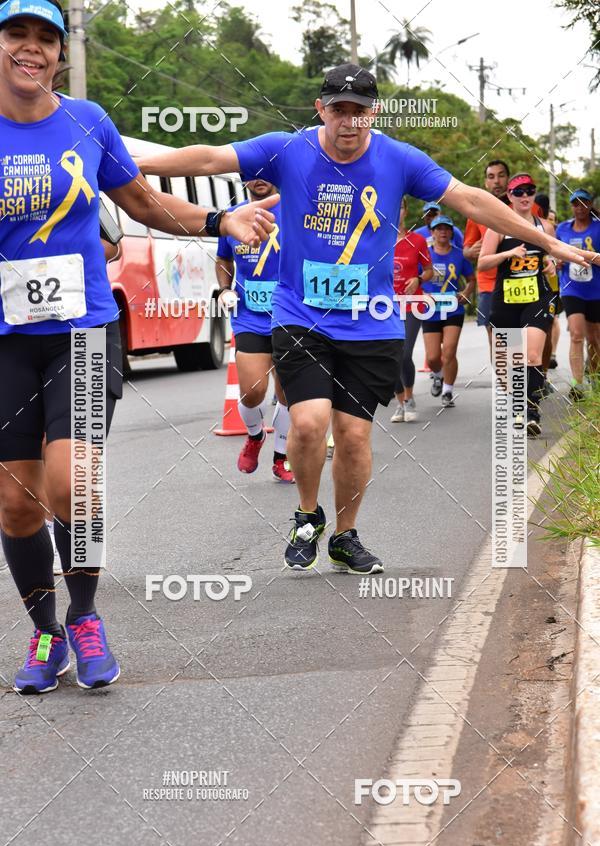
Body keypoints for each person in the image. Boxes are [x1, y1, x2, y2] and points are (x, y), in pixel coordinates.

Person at [138, 63, 593, 573]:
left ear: (372, 113)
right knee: (309, 423)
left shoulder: (399, 159)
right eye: (339, 111)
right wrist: (134, 162)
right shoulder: (289, 149)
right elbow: (211, 158)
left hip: (372, 321)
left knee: (354, 435)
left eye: (359, 112)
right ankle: (307, 516)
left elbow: (468, 199)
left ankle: (345, 535)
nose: (349, 122)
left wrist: (547, 240)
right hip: (300, 315)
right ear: (320, 110)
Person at [0, 0, 277, 694]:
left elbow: (145, 204)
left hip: (84, 331)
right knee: (15, 504)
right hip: (6, 341)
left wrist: (219, 219)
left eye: (46, 39)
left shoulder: (87, 123)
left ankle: (86, 616)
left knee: (75, 480)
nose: (31, 49)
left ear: (61, 53)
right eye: (17, 35)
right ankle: (45, 633)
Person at [216, 179, 294, 483]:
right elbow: (223, 258)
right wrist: (224, 289)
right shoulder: (232, 216)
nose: (259, 178)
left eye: (266, 171)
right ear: (244, 177)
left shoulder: (298, 212)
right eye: (253, 172)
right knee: (252, 392)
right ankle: (255, 435)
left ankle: (281, 457)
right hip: (249, 315)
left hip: (291, 314)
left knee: (288, 392)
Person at [479, 173, 557, 437]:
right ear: (509, 197)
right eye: (519, 192)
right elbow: (483, 262)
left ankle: (531, 412)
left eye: (529, 191)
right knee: (513, 361)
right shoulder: (498, 227)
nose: (525, 196)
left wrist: (552, 263)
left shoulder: (545, 227)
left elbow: (557, 257)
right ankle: (518, 409)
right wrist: (508, 253)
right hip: (507, 299)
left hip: (537, 295)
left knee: (533, 355)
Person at [420, 216, 475, 407]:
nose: (443, 232)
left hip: (453, 309)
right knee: (433, 357)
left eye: (446, 228)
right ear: (432, 232)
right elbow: (414, 279)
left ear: (452, 232)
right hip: (430, 310)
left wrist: (466, 292)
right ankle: (438, 375)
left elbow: (471, 279)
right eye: (438, 228)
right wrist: (422, 294)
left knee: (449, 352)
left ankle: (448, 391)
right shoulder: (424, 255)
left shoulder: (460, 255)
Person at [390, 197, 433, 422]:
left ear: (405, 211)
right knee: (390, 355)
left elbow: (429, 271)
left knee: (404, 352)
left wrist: (418, 279)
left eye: (399, 206)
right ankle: (399, 403)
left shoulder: (417, 240)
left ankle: (409, 397)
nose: (396, 210)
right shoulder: (378, 239)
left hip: (411, 303)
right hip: (384, 306)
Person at [555, 189, 600, 398]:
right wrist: (558, 261)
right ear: (571, 206)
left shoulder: (598, 227)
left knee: (595, 338)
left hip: (595, 290)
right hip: (571, 288)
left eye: (583, 203)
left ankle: (594, 375)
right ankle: (578, 384)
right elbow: (552, 255)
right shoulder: (563, 229)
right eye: (575, 204)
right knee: (576, 333)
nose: (579, 208)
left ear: (590, 205)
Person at [464, 160, 510, 350]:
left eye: (501, 176)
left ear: (508, 179)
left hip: (517, 279)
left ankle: (528, 377)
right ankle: (503, 380)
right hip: (488, 283)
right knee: (496, 335)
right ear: (485, 183)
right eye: (491, 177)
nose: (496, 181)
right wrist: (471, 251)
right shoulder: (476, 212)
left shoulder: (520, 207)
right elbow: (466, 250)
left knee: (515, 333)